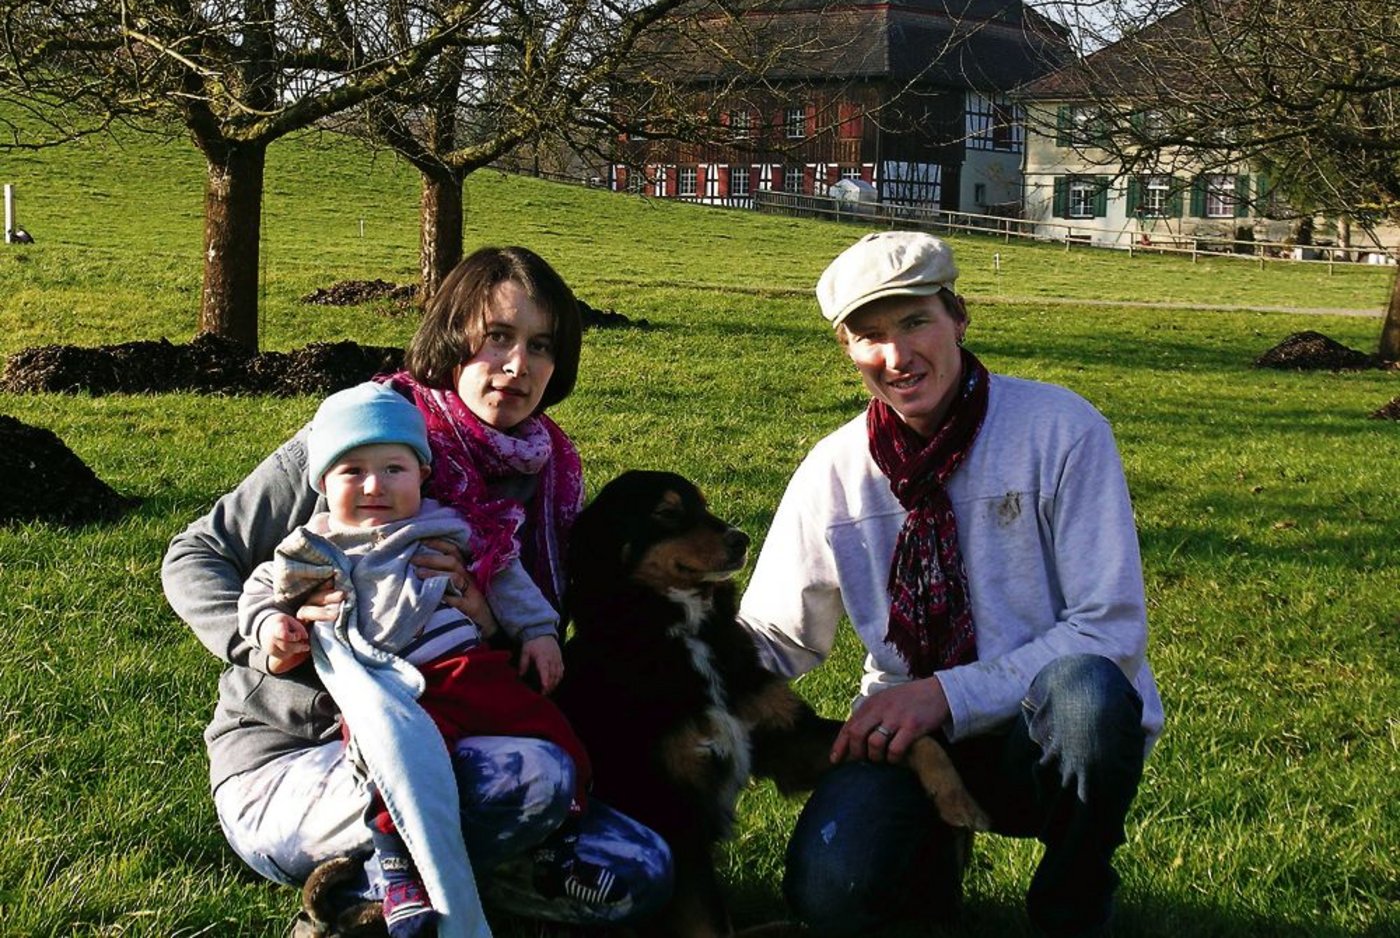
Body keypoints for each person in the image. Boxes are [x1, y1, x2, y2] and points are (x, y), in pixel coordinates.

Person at [163, 246, 672, 931]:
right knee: (533, 778)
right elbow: (197, 554)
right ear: (453, 337)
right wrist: (265, 640)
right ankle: (375, 894)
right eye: (498, 337)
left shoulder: (545, 473)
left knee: (641, 870)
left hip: (463, 734)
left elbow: (534, 634)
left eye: (541, 346)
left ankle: (378, 899)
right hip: (297, 761)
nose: (518, 366)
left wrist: (489, 618)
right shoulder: (363, 437)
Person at [737, 231, 1163, 938]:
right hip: (908, 742)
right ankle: (928, 866)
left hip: (1042, 731)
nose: (897, 357)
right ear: (845, 348)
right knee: (831, 895)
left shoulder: (1059, 429)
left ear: (958, 316)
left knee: (1089, 691)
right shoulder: (835, 470)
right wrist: (665, 655)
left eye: (915, 323)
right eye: (869, 336)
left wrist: (943, 694)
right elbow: (776, 634)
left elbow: (1110, 627)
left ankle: (1073, 899)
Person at [237, 381, 596, 937]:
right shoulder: (314, 546)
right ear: (323, 484)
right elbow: (261, 589)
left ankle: (562, 835)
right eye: (352, 472)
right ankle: (393, 868)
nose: (375, 485)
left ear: (422, 474)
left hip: (465, 669)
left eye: (394, 469)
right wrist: (270, 628)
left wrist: (540, 633)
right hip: (388, 685)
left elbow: (504, 575)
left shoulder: (445, 525)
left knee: (548, 730)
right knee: (390, 762)